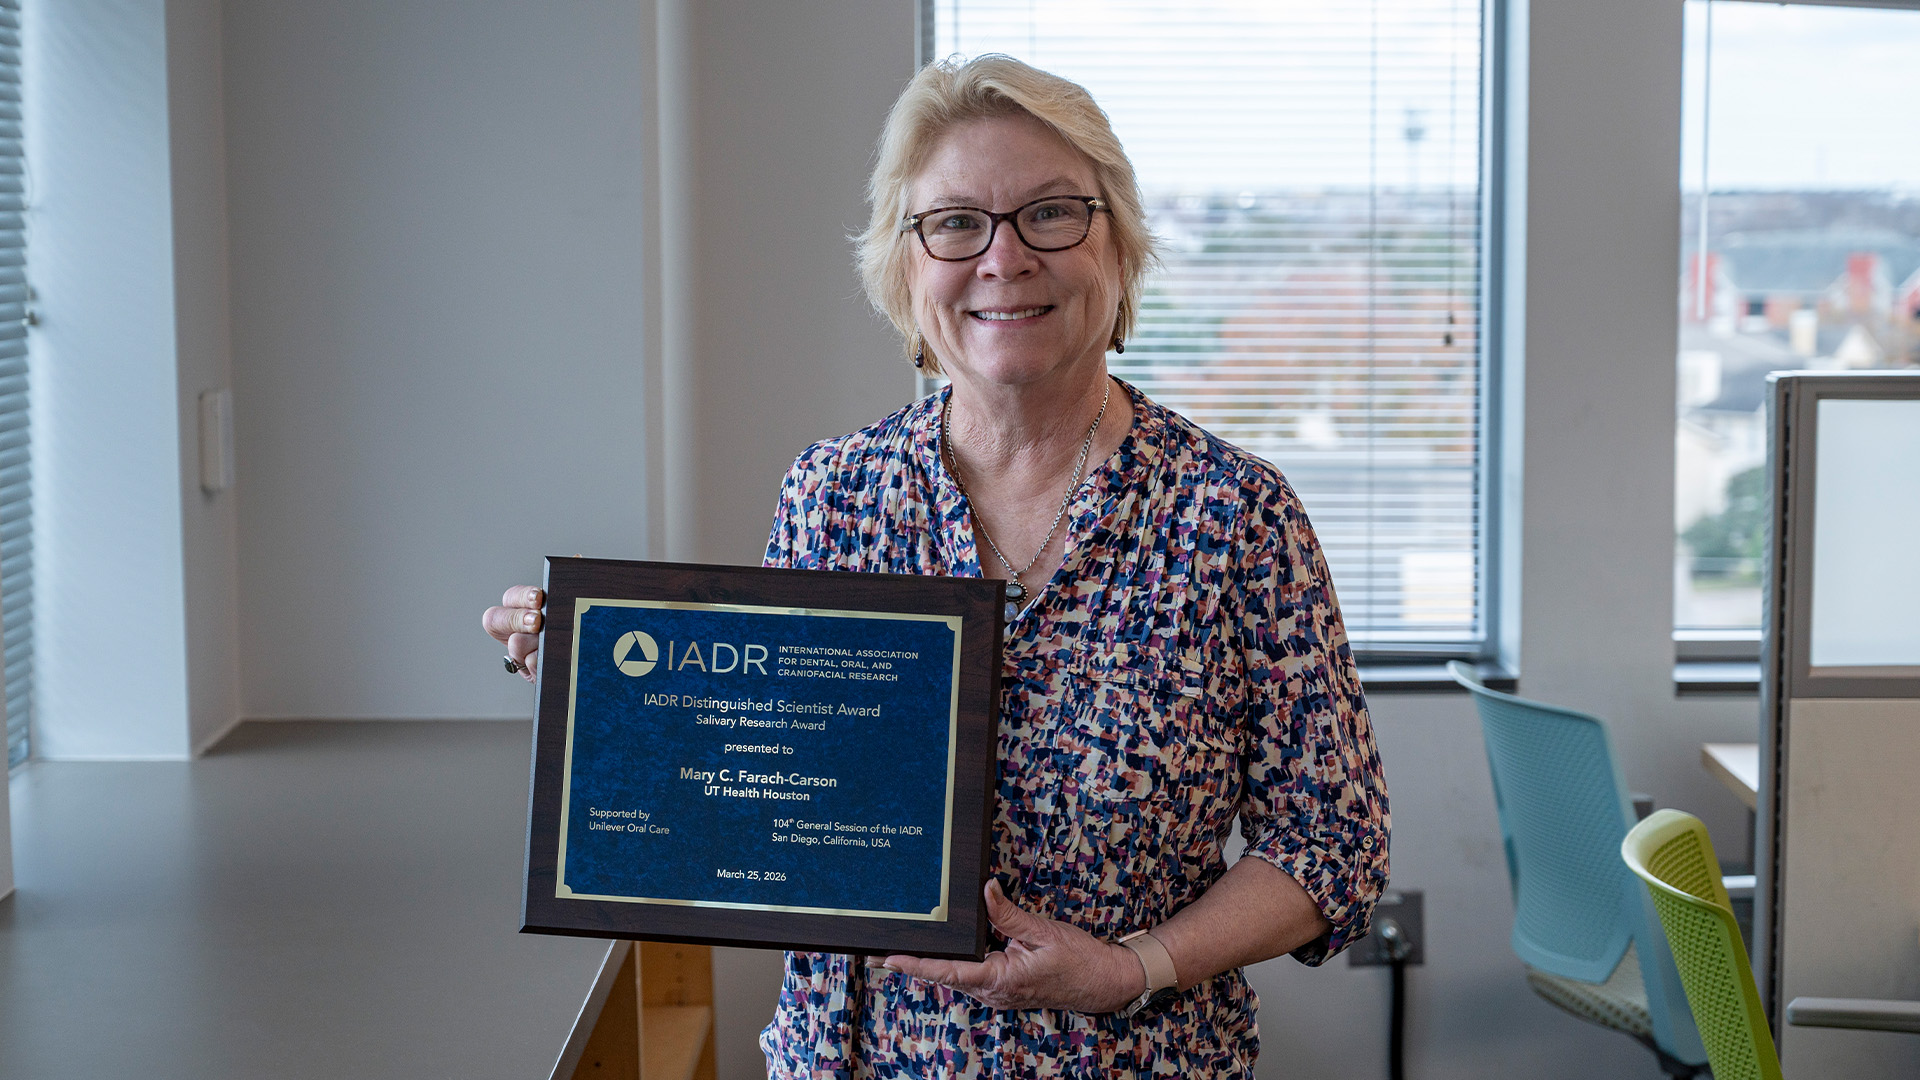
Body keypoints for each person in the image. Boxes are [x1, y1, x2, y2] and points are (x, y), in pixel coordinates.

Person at [483, 54, 1388, 1079]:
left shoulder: (1237, 518)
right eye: (957, 222)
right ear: (905, 267)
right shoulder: (831, 496)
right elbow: (763, 773)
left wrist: (1134, 966)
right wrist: (600, 680)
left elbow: (1333, 845)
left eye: (1051, 213)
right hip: (850, 1059)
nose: (1004, 259)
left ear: (1119, 249)